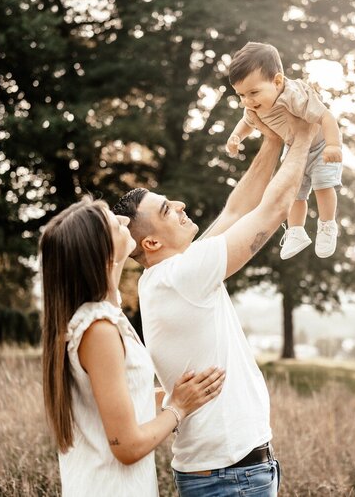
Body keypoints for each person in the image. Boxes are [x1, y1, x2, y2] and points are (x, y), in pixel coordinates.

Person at [112, 111, 318, 496]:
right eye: (165, 210)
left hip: (231, 474)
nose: (179, 204)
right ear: (151, 243)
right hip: (232, 478)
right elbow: (271, 211)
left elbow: (236, 210)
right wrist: (303, 135)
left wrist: (273, 139)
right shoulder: (181, 276)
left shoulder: (168, 276)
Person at [39, 197, 226, 496]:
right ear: (100, 250)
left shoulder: (103, 317)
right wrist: (178, 407)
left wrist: (169, 395)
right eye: (114, 223)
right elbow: (127, 446)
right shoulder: (98, 328)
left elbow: (112, 403)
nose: (124, 220)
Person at [225, 41, 343, 260]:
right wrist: (236, 137)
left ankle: (327, 225)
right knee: (294, 192)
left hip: (320, 147)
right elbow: (247, 122)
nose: (247, 101)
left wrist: (333, 144)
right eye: (241, 95)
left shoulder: (294, 96)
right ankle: (296, 231)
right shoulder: (253, 105)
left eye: (253, 92)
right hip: (293, 147)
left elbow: (326, 116)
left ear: (277, 81)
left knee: (322, 185)